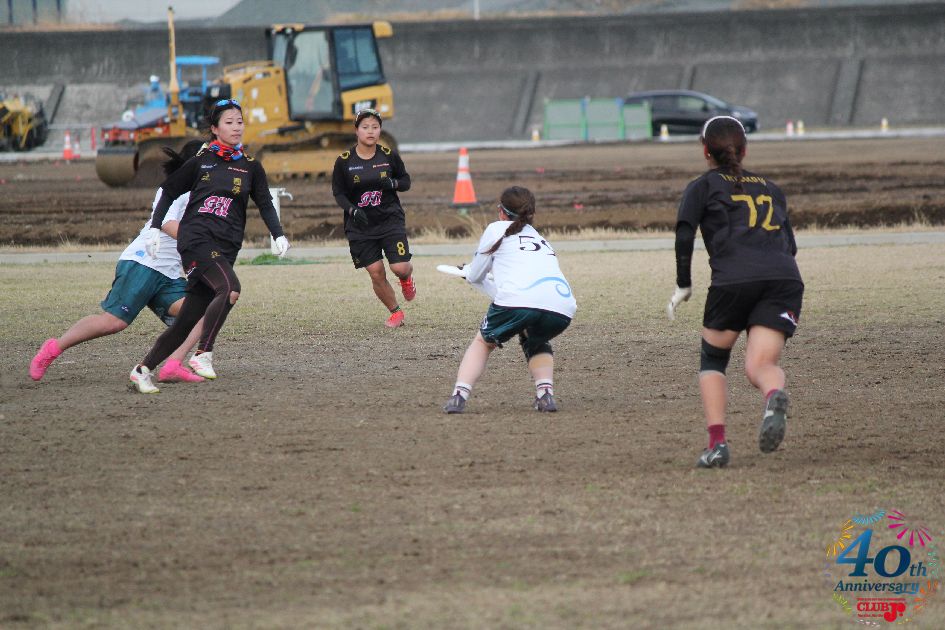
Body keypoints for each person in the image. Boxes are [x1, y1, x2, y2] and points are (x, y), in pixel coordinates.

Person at [666, 115, 804, 469]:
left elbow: (684, 234)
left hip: (734, 281)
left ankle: (717, 445)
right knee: (762, 364)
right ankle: (773, 395)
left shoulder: (702, 186)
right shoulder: (772, 189)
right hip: (784, 279)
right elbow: (790, 246)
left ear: (705, 151)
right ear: (744, 150)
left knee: (713, 360)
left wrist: (684, 283)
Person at [129, 98, 291, 394]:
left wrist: (278, 234)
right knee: (229, 288)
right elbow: (167, 190)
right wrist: (154, 227)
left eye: (239, 121)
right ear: (215, 129)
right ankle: (203, 353)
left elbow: (265, 203)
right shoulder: (201, 161)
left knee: (185, 322)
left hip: (226, 247)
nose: (236, 127)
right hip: (196, 240)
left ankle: (142, 370)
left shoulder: (251, 166)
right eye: (229, 122)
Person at [29, 140, 207, 384]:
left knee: (201, 313)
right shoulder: (178, 188)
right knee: (113, 322)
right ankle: (53, 348)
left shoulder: (204, 196)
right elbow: (166, 223)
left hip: (170, 275)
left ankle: (173, 365)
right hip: (144, 264)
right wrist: (199, 241)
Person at [443, 186, 577, 414]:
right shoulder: (540, 238)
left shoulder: (495, 229)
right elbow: (520, 295)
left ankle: (459, 397)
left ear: (501, 211)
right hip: (563, 308)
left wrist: (468, 273)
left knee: (483, 343)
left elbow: (476, 276)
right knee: (534, 338)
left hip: (522, 301)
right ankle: (545, 396)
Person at [331, 108, 416, 328]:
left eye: (375, 127)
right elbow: (339, 193)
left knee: (400, 267)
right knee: (376, 272)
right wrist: (352, 210)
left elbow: (406, 181)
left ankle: (406, 278)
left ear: (380, 130)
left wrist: (394, 183)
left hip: (390, 220)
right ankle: (396, 312)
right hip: (360, 227)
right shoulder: (344, 161)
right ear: (356, 130)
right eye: (365, 127)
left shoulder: (388, 155)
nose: (370, 131)